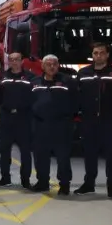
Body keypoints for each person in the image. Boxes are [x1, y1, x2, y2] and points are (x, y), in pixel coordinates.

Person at [75, 42, 112, 198]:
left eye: (102, 52)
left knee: (111, 155)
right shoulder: (83, 73)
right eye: (95, 53)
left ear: (107, 54)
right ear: (92, 55)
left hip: (110, 120)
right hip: (89, 120)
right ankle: (89, 184)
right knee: (89, 154)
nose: (99, 55)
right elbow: (78, 95)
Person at [30, 54, 76, 196]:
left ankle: (64, 184)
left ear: (58, 65)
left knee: (63, 157)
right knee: (40, 156)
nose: (51, 67)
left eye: (54, 64)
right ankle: (42, 182)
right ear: (42, 66)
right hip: (40, 125)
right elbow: (30, 102)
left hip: (61, 125)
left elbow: (75, 101)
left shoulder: (67, 81)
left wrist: (67, 118)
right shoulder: (34, 82)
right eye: (48, 64)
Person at [0, 51, 35, 188]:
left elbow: (34, 97)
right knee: (4, 151)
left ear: (21, 61)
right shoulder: (2, 77)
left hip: (24, 119)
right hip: (6, 119)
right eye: (11, 59)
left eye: (17, 59)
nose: (14, 62)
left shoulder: (30, 77)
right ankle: (5, 178)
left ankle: (25, 180)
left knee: (25, 152)